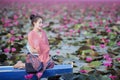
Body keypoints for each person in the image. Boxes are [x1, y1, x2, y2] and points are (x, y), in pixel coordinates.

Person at [27, 14, 54, 79]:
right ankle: (22, 65)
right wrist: (39, 52)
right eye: (39, 23)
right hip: (35, 56)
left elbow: (47, 46)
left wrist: (44, 52)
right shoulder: (31, 34)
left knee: (51, 63)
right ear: (34, 23)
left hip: (44, 56)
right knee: (38, 65)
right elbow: (32, 50)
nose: (41, 24)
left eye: (42, 22)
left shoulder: (43, 32)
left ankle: (41, 69)